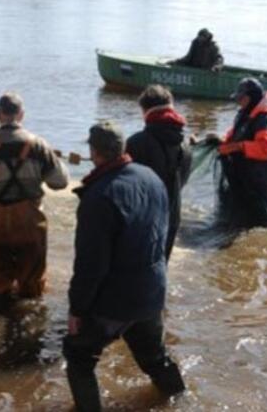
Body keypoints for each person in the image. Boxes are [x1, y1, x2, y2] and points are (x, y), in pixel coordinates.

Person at [63, 121, 185, 411]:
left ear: (94, 152)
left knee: (78, 357)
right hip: (152, 292)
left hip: (114, 303)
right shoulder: (151, 177)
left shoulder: (98, 196)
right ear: (123, 149)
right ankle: (180, 400)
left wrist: (77, 309)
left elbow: (90, 266)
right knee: (155, 358)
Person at [0, 92, 68, 315]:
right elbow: (60, 182)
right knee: (31, 289)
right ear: (21, 115)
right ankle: (28, 333)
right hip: (29, 222)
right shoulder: (38, 145)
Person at [126, 85, 191, 261]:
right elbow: (182, 181)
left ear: (145, 111)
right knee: (159, 270)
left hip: (141, 221)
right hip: (171, 217)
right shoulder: (185, 145)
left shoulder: (136, 143)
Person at [210, 77, 267, 227]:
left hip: (259, 183)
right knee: (237, 221)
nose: (239, 101)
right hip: (244, 180)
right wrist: (220, 140)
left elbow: (266, 149)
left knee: (254, 223)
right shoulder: (245, 114)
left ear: (251, 98)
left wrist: (239, 147)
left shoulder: (265, 119)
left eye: (241, 98)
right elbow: (234, 136)